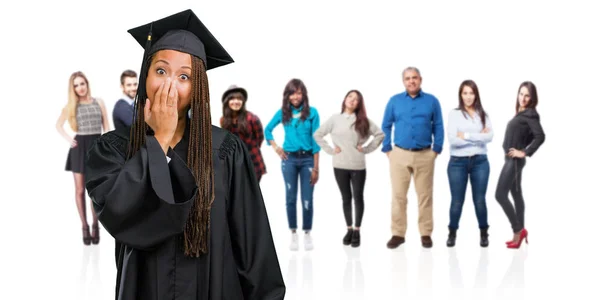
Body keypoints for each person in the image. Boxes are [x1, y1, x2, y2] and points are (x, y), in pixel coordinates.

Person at [84, 9, 285, 299]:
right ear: (145, 76)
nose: (169, 85)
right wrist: (160, 138)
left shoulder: (226, 150)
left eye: (184, 76)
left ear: (197, 89)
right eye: (161, 71)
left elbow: (253, 248)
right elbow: (121, 218)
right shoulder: (114, 149)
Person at [381, 67, 444, 249]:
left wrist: (436, 150)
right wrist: (388, 150)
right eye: (408, 78)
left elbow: (438, 126)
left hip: (425, 155)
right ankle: (398, 234)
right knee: (398, 196)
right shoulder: (394, 101)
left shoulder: (432, 101)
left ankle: (425, 233)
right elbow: (386, 125)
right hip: (399, 155)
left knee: (425, 196)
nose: (411, 81)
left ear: (421, 79)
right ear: (403, 81)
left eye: (414, 78)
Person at [313, 90, 384, 247]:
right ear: (345, 99)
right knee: (346, 198)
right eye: (350, 97)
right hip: (339, 165)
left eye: (356, 99)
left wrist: (365, 149)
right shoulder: (334, 119)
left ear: (359, 104)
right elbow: (317, 134)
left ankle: (357, 230)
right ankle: (349, 229)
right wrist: (331, 150)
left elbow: (380, 135)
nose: (352, 100)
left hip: (358, 165)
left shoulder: (363, 120)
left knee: (358, 197)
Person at [264, 78, 321, 251]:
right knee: (290, 197)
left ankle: (307, 233)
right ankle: (293, 233)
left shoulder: (312, 112)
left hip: (308, 160)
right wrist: (276, 148)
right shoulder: (283, 112)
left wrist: (316, 168)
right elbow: (268, 130)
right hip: (289, 160)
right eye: (292, 93)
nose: (295, 96)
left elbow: (316, 140)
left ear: (303, 94)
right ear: (287, 96)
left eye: (298, 92)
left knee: (307, 199)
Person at [56, 71, 110, 246]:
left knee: (94, 190)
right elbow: (58, 125)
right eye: (76, 85)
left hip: (96, 145)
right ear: (73, 88)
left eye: (82, 83)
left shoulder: (99, 102)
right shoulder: (71, 106)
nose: (80, 88)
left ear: (87, 83)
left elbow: (106, 126)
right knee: (79, 190)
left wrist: (107, 146)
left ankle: (96, 224)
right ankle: (84, 226)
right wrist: (69, 138)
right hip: (79, 148)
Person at [495, 81, 545, 249]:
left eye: (527, 95)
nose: (523, 98)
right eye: (521, 94)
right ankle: (519, 234)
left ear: (532, 98)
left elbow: (540, 136)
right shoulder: (522, 113)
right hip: (511, 160)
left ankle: (518, 230)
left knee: (500, 195)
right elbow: (530, 135)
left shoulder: (530, 114)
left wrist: (523, 151)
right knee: (516, 194)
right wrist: (523, 146)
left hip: (515, 161)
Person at [445, 80, 493, 248]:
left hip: (480, 161)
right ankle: (452, 232)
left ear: (476, 95)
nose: (468, 97)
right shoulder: (454, 114)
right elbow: (452, 140)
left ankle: (484, 232)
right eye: (465, 93)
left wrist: (464, 135)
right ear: (460, 95)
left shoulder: (483, 114)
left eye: (471, 93)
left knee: (479, 200)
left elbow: (490, 137)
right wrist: (477, 135)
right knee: (457, 201)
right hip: (458, 162)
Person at [220, 84, 267, 182]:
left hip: (252, 160)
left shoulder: (252, 119)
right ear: (227, 101)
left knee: (252, 193)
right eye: (232, 98)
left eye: (239, 99)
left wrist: (247, 150)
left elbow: (260, 138)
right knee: (237, 193)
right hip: (234, 161)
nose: (236, 102)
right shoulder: (223, 120)